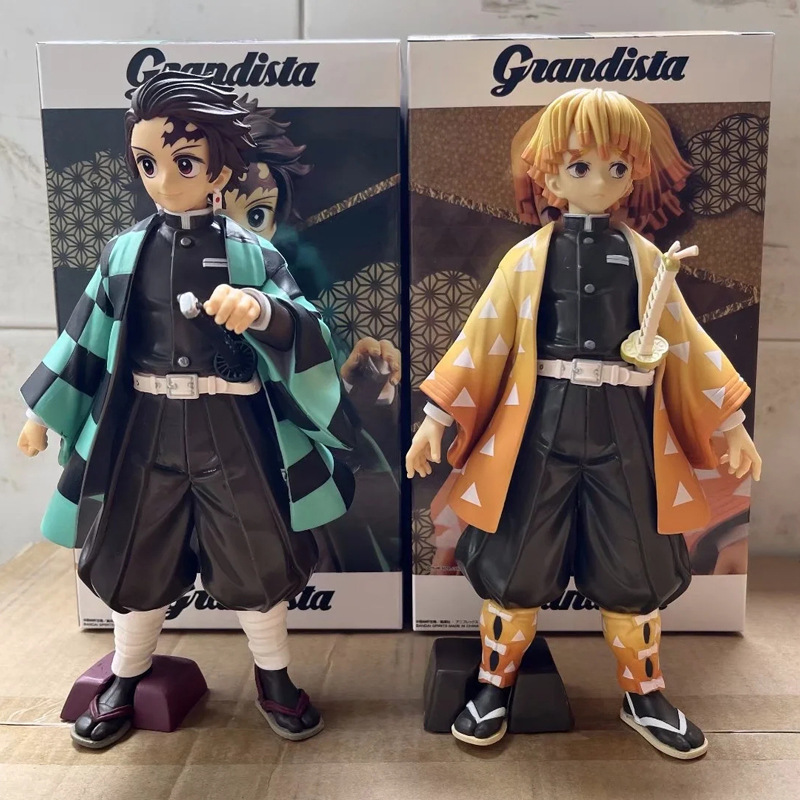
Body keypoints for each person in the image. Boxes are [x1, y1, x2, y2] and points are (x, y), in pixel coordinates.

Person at [406, 88, 762, 759]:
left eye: (617, 167)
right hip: (539, 424)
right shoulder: (525, 260)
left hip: (626, 428)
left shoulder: (648, 259)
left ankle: (643, 693)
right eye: (579, 166)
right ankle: (494, 686)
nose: (600, 181)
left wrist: (732, 421)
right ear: (547, 173)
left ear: (635, 175)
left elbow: (688, 343)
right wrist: (435, 415)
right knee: (515, 562)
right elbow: (480, 338)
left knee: (635, 565)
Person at [18, 70, 354, 749]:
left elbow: (313, 328)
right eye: (148, 164)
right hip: (144, 428)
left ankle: (274, 676)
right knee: (135, 552)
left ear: (222, 169)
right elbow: (85, 337)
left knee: (257, 553)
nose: (165, 181)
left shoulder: (254, 253)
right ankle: (127, 672)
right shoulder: (123, 253)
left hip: (233, 427)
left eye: (186, 163)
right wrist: (43, 413)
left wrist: (261, 310)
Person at [223, 97, 401, 572]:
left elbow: (337, 408)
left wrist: (359, 380)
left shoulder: (292, 300)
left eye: (256, 217)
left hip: (285, 476)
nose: (238, 235)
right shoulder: (151, 286)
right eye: (217, 212)